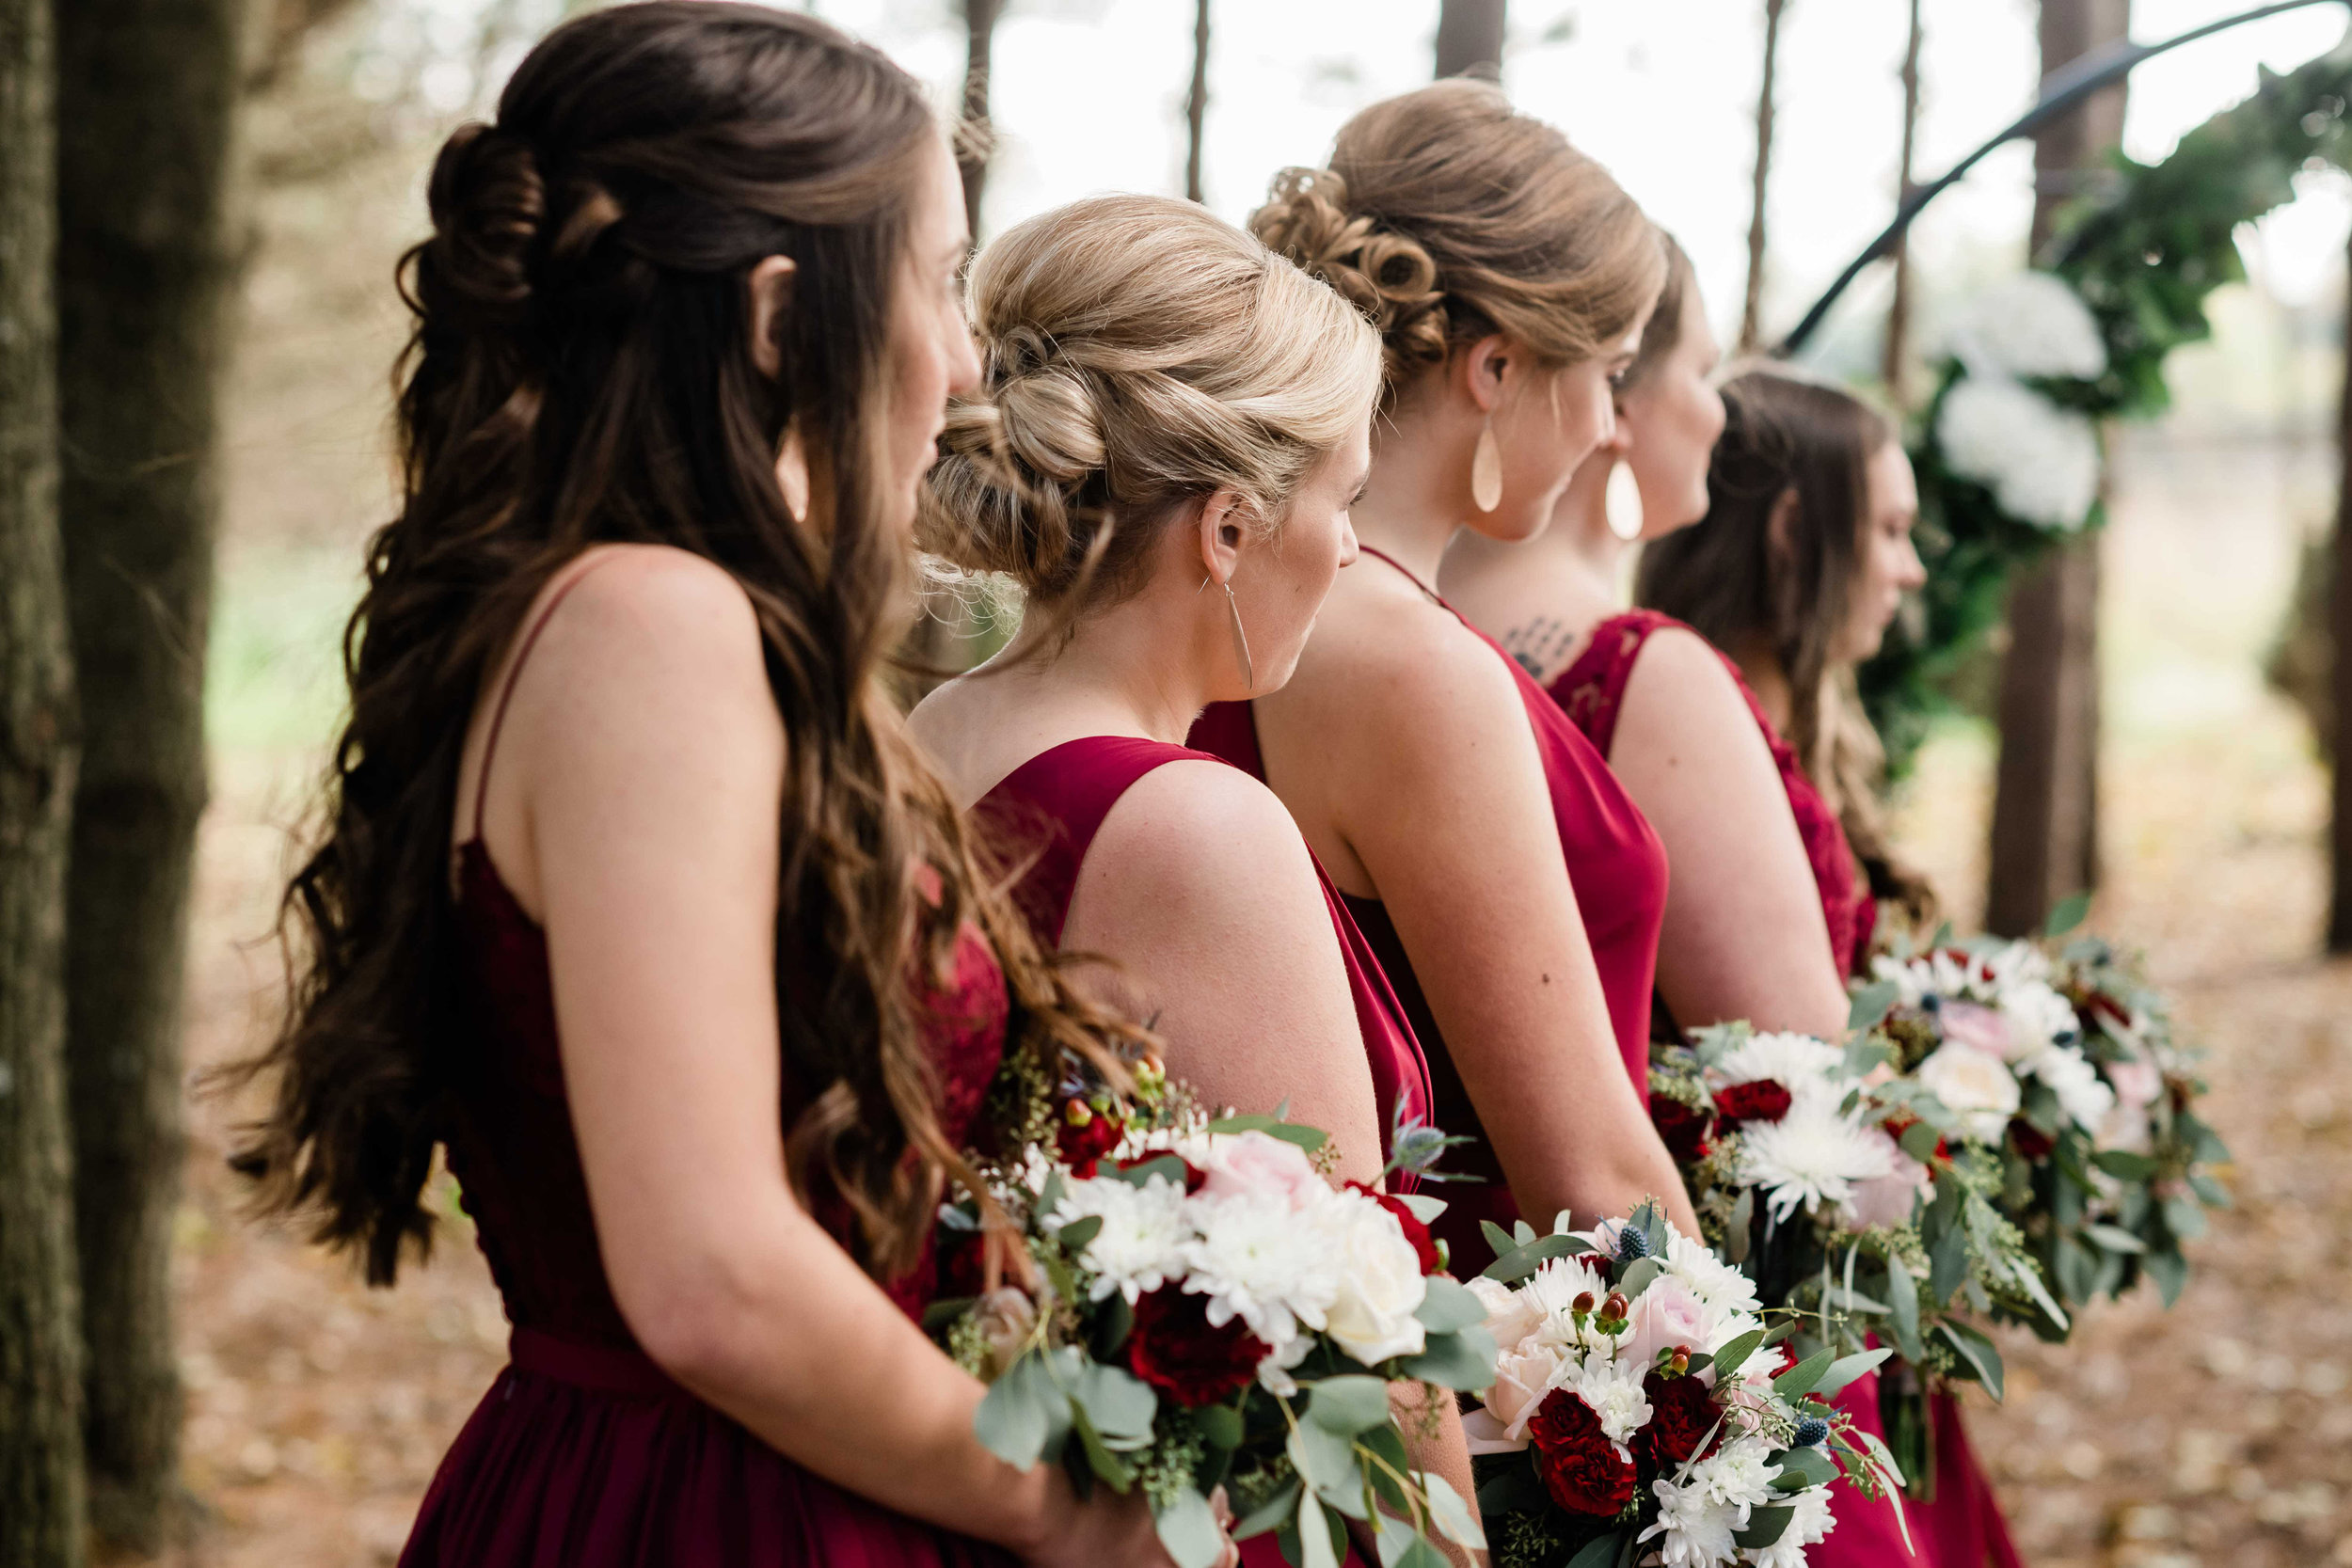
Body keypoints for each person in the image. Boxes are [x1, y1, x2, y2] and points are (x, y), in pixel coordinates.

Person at [230, 8, 1209, 1564]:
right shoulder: (648, 628)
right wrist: (1073, 1511)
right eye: (939, 280)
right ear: (773, 318)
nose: (964, 365)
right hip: (717, 1507)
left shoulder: (675, 627)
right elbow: (711, 1273)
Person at [910, 193, 1474, 1565]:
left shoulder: (930, 735)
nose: (1350, 546)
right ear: (1227, 529)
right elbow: (1362, 1324)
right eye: (1341, 496)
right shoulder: (1194, 829)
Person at [1443, 293, 1929, 1560]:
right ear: (1611, 398)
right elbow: (1807, 1066)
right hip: (1668, 1300)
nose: (1719, 409)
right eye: (1700, 371)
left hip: (1506, 1312)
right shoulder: (1644, 669)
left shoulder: (1402, 637)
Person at [1188, 79, 1700, 1276]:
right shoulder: (1408, 661)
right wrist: (1762, 1428)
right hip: (1499, 1369)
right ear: (1496, 366)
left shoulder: (1239, 601)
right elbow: (1588, 1175)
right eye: (1609, 373)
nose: (1607, 426)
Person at [1635, 369, 2014, 1568]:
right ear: (1799, 531)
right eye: (1891, 530)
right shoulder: (1697, 722)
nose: (1909, 570)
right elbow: (1799, 1066)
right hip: (1786, 1291)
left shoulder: (1775, 724)